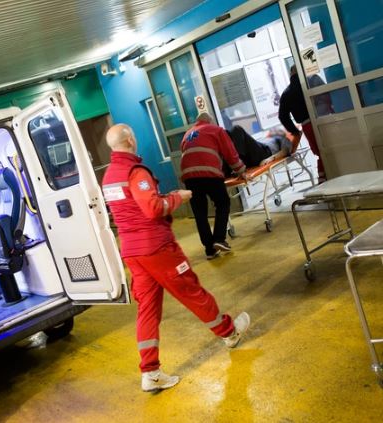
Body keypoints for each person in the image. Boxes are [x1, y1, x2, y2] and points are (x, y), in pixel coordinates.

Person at [102, 123, 250, 392]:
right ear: (131, 140)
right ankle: (230, 333)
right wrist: (177, 197)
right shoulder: (135, 172)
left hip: (133, 252)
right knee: (191, 291)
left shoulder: (109, 176)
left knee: (147, 309)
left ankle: (150, 372)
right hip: (157, 248)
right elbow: (152, 207)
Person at [179, 113, 247, 259]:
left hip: (189, 177)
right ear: (209, 121)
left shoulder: (187, 134)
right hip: (209, 173)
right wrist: (241, 170)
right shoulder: (216, 130)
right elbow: (230, 153)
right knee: (223, 203)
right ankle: (219, 239)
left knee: (200, 212)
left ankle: (210, 250)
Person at [279, 65, 326, 182]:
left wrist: (295, 131)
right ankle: (326, 176)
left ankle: (323, 178)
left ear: (291, 74)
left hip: (307, 125)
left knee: (320, 152)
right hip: (324, 120)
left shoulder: (286, 93)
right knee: (329, 149)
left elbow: (282, 116)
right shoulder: (312, 81)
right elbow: (327, 96)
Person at [223, 125, 295, 177]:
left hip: (265, 153)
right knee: (227, 134)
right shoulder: (266, 138)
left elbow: (285, 150)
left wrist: (270, 159)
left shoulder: (282, 138)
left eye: (278, 129)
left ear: (283, 133)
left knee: (237, 129)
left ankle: (236, 162)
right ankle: (226, 170)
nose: (273, 129)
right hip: (250, 157)